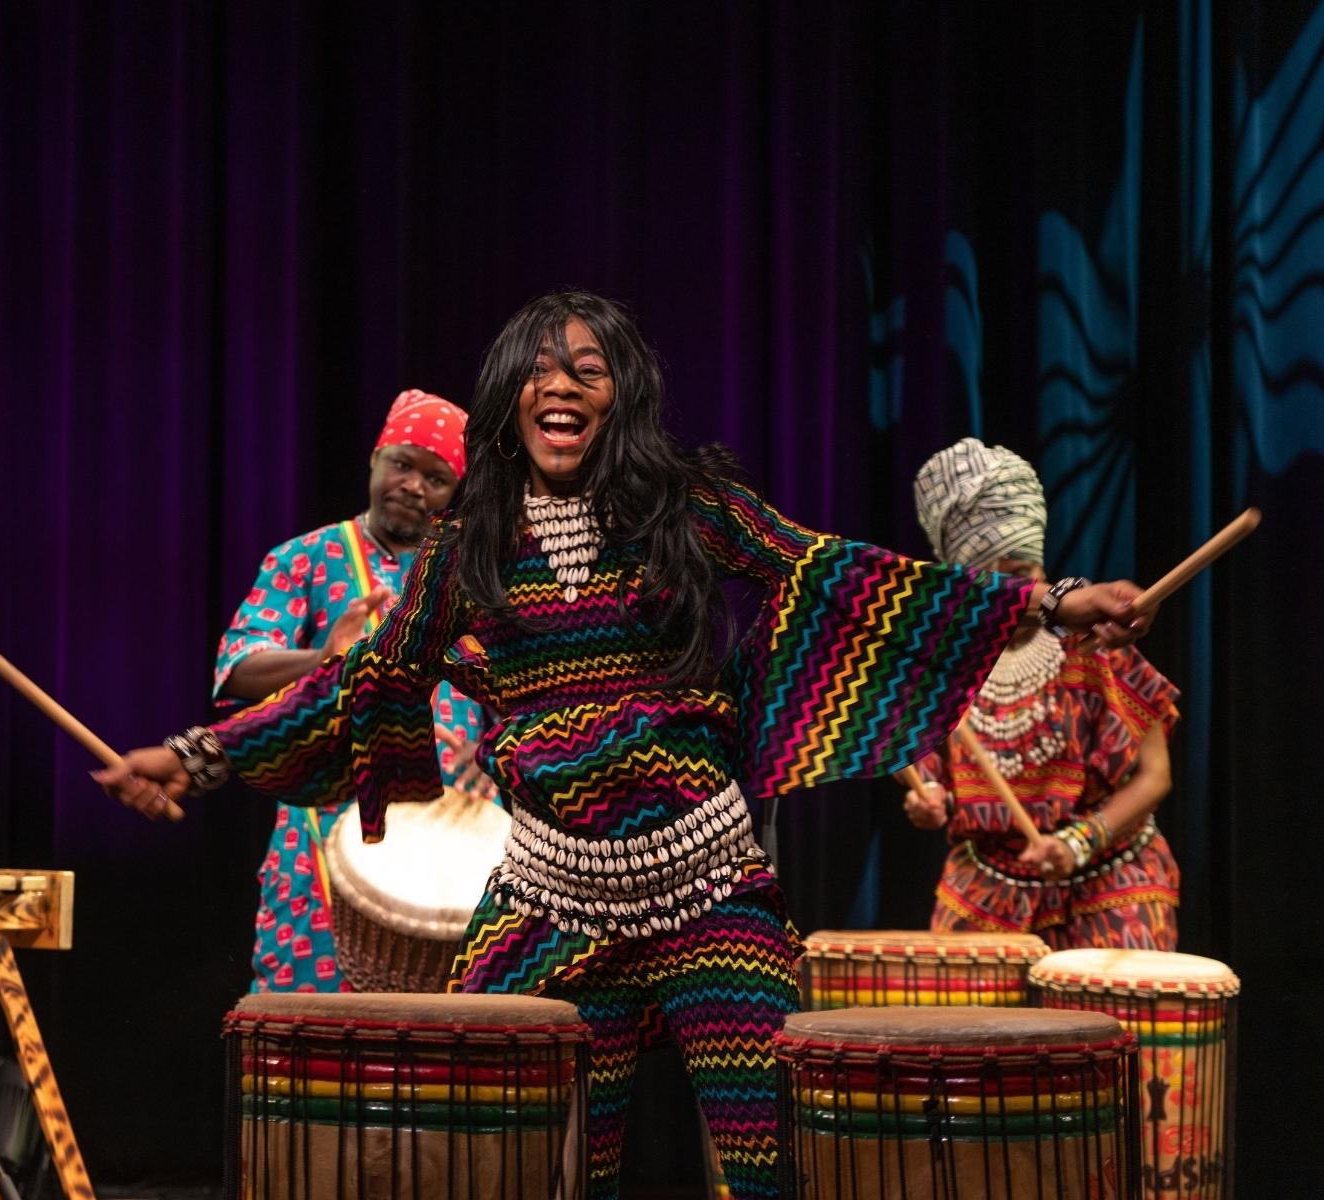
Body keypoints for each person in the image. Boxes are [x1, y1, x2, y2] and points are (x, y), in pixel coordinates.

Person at [97, 291, 1149, 1198]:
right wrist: (199, 756)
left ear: (619, 396)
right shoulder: (469, 548)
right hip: (550, 902)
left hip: (707, 890)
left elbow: (836, 572)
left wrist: (1050, 603)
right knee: (531, 1166)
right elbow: (366, 679)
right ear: (512, 392)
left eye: (588, 370)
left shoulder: (683, 510)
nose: (563, 384)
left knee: (772, 1161)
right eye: (544, 368)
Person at [213, 389, 490, 993]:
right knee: (309, 1044)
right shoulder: (305, 560)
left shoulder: (474, 580)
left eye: (436, 477)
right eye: (402, 463)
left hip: (453, 855)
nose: (414, 485)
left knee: (450, 1055)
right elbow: (239, 668)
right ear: (374, 458)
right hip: (322, 845)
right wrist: (323, 658)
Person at [901, 438, 1180, 949]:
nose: (1021, 601)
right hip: (989, 883)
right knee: (950, 1016)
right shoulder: (941, 670)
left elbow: (1154, 774)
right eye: (1001, 588)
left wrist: (1079, 842)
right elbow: (929, 777)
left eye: (1026, 580)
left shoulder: (1094, 645)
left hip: (1110, 873)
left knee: (1119, 1008)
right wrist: (928, 799)